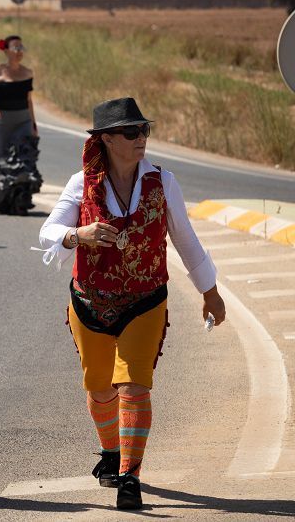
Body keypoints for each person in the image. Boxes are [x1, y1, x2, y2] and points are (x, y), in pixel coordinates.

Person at [38, 97, 226, 511]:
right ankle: (110, 452)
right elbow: (49, 231)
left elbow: (186, 240)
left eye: (144, 130)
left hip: (146, 301)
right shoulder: (80, 184)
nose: (141, 138)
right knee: (100, 387)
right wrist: (78, 235)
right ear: (105, 139)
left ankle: (130, 475)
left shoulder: (164, 182)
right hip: (89, 301)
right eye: (130, 132)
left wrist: (209, 291)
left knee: (135, 386)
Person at [0, 35, 37, 159]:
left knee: (24, 155)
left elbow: (29, 100)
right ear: (6, 51)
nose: (19, 51)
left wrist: (33, 125)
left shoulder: (28, 73)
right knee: (4, 157)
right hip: (3, 120)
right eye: (16, 47)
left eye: (21, 47)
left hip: (24, 120)